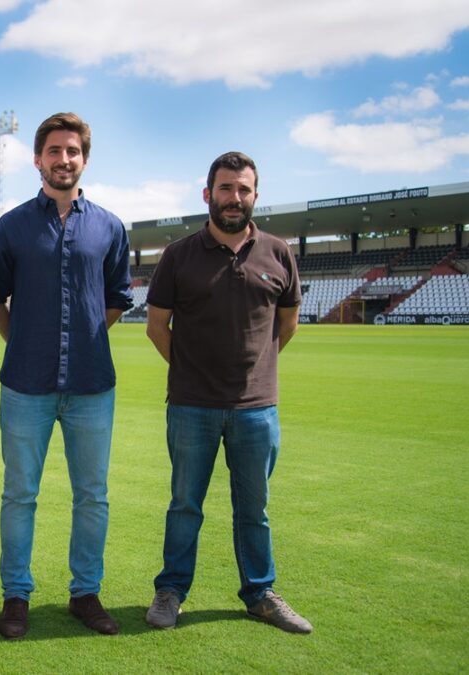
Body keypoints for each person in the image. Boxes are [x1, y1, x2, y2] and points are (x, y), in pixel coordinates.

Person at [143, 151, 312, 634]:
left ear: (255, 195)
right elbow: (157, 327)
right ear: (207, 195)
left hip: (257, 410)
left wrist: (252, 373)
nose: (234, 198)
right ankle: (170, 591)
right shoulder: (179, 255)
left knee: (253, 509)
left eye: (243, 189)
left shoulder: (278, 253)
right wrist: (195, 371)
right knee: (184, 505)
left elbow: (287, 323)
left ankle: (260, 594)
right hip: (191, 407)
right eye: (225, 188)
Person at [0, 112, 133, 639]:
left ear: (84, 160)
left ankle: (85, 593)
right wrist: (25, 339)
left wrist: (86, 335)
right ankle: (15, 596)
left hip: (93, 386)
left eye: (73, 151)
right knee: (19, 494)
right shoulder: (13, 226)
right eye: (54, 150)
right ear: (38, 159)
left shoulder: (110, 226)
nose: (63, 159)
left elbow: (117, 299)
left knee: (92, 494)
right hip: (25, 384)